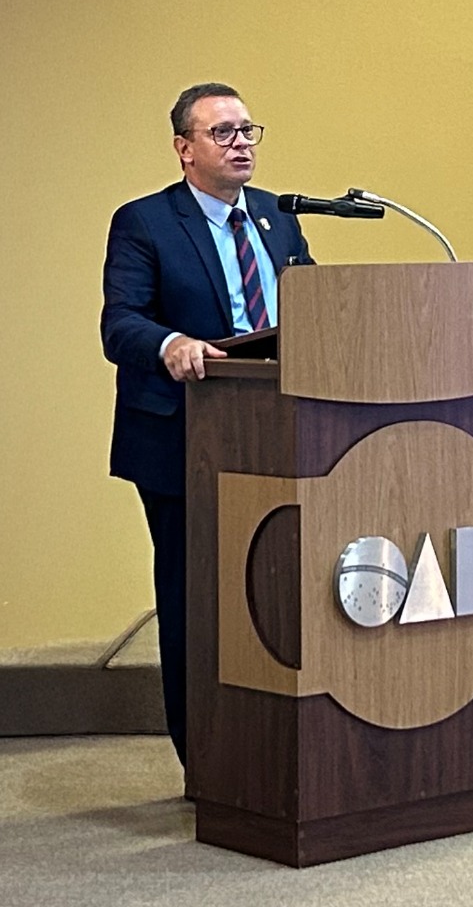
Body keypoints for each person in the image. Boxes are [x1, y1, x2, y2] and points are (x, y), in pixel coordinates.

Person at [100, 83, 312, 767]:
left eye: (248, 129)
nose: (241, 142)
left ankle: (276, 746)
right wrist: (173, 345)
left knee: (275, 589)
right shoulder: (145, 222)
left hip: (277, 432)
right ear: (184, 149)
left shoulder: (280, 217)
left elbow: (315, 308)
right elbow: (121, 322)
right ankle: (205, 758)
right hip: (180, 437)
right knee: (196, 600)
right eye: (222, 132)